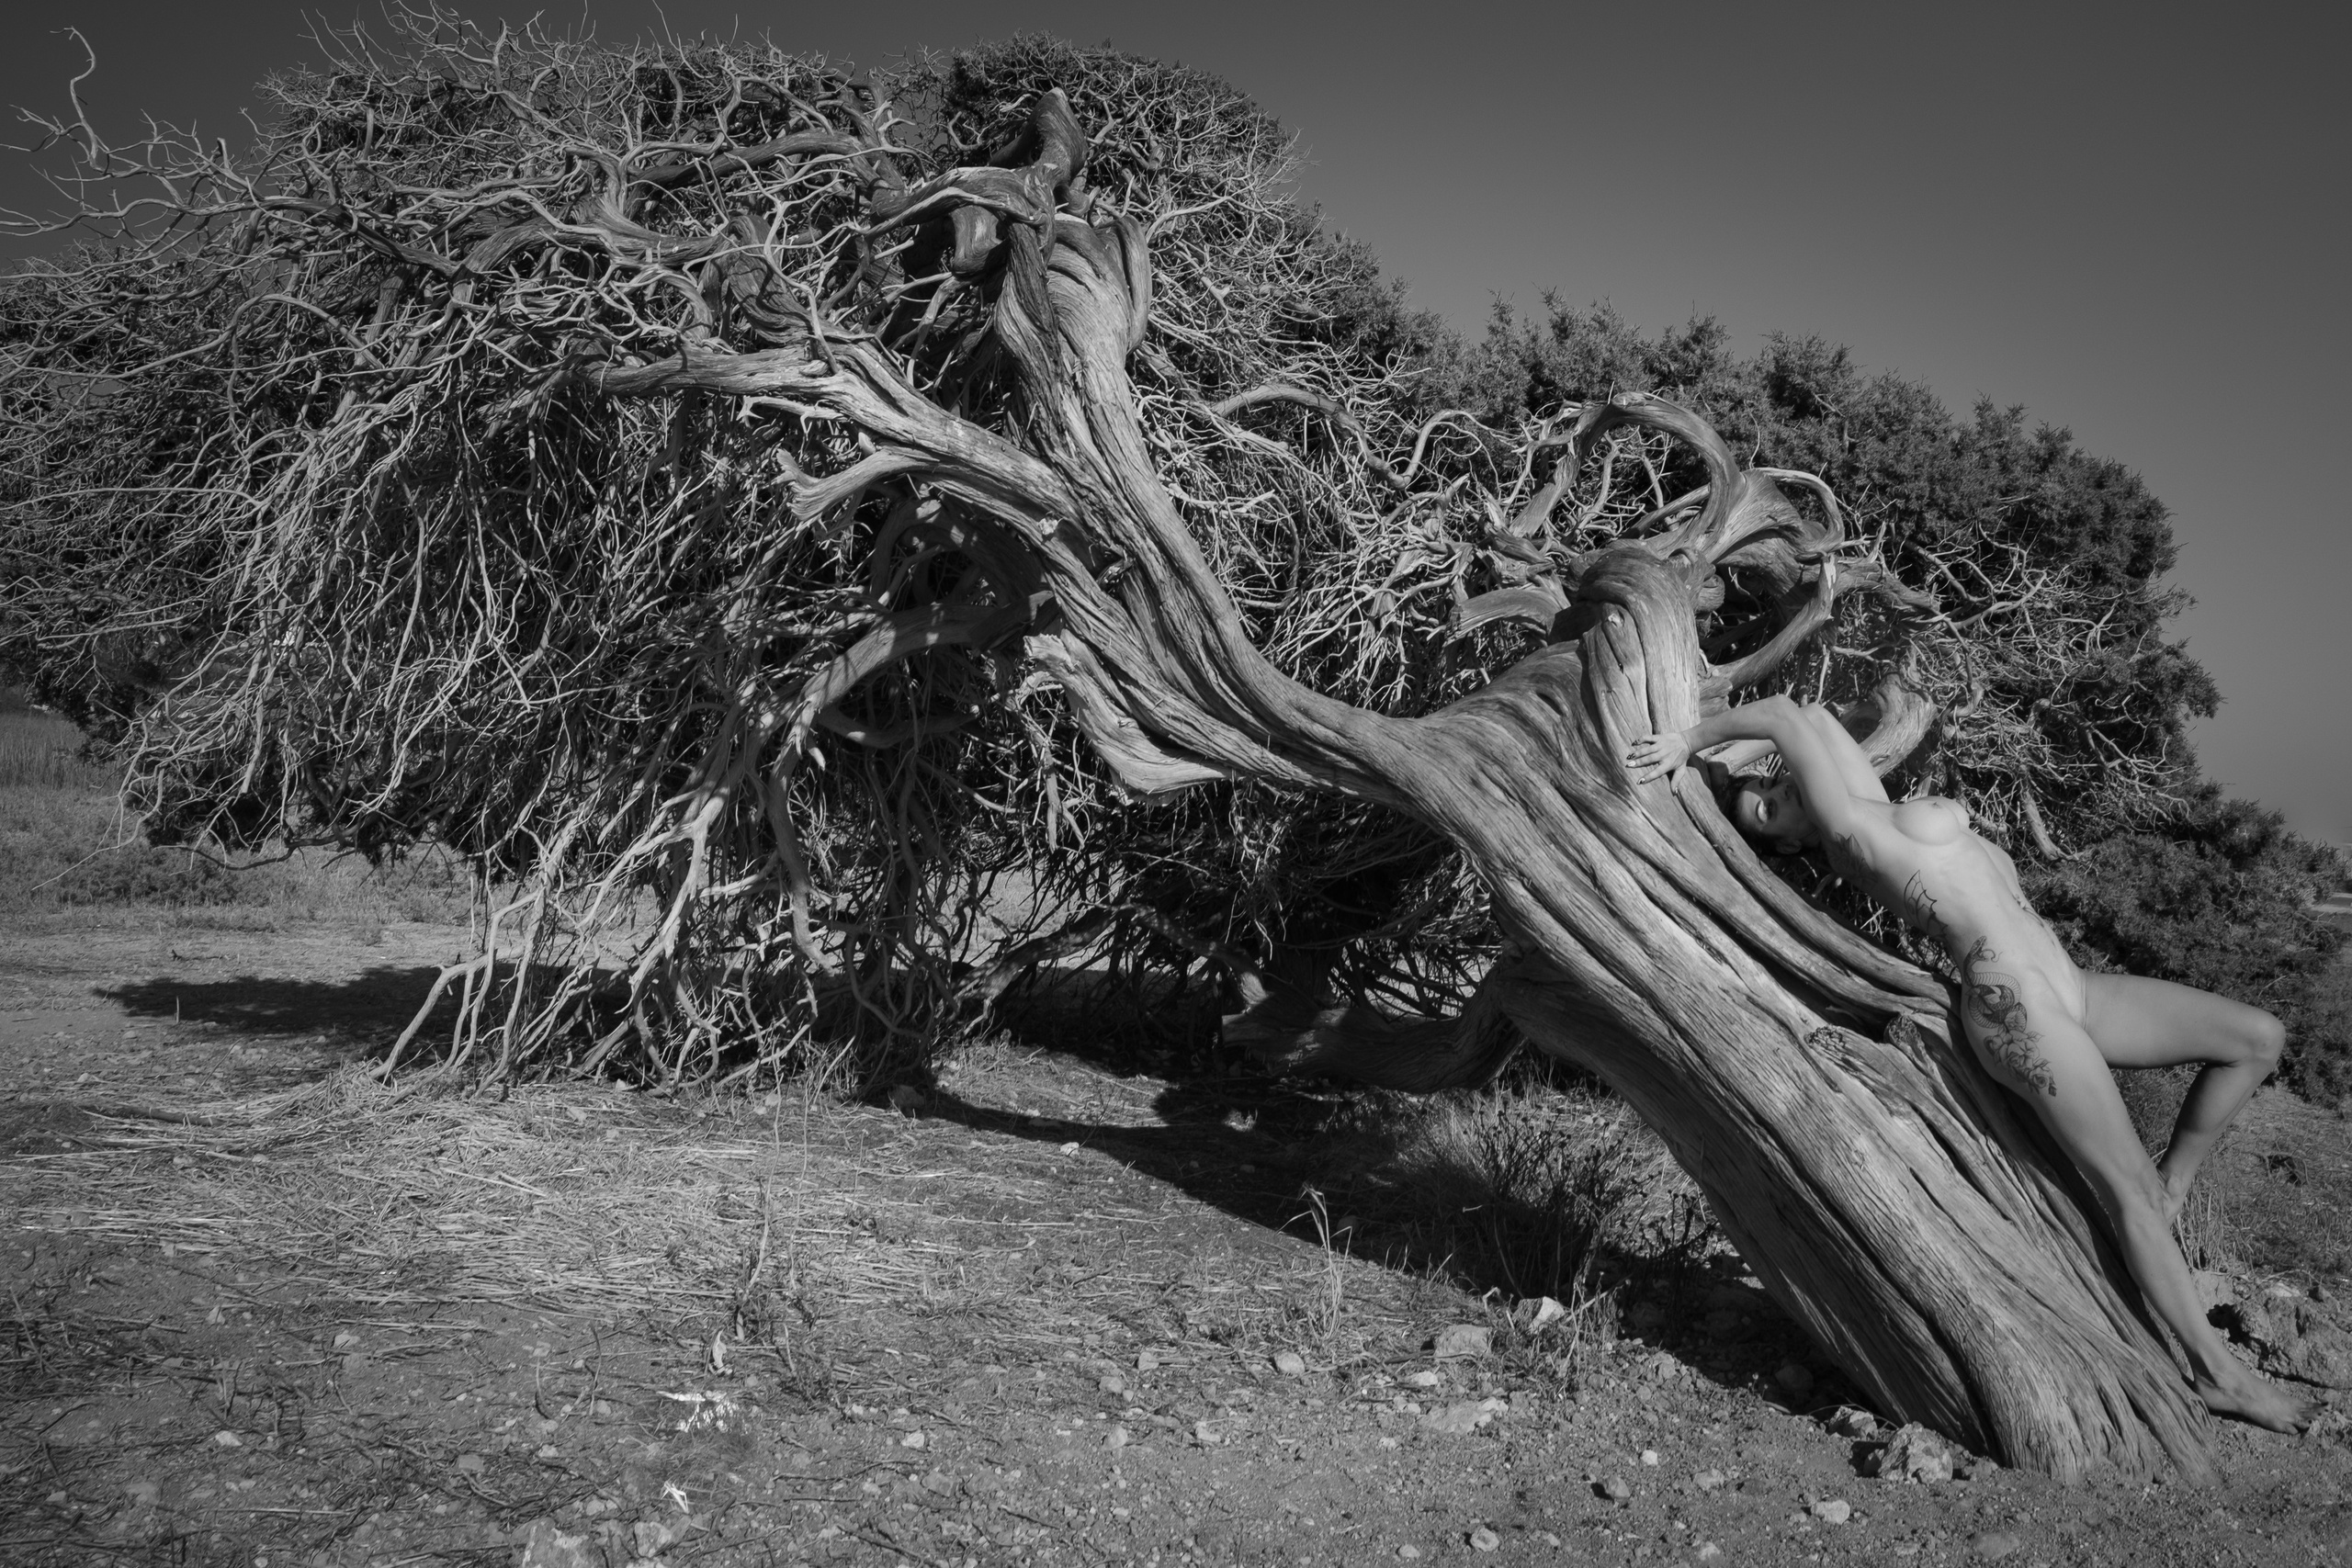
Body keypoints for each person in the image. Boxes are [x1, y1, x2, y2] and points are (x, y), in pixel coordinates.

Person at [1625, 693, 2310, 1434]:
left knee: (2257, 1038)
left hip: (2070, 986)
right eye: (1765, 809)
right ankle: (2220, 1372)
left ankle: (2178, 1182)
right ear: (1789, 845)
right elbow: (1788, 722)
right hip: (2017, 1006)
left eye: (1774, 782)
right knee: (2128, 1194)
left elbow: (1810, 718)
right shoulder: (1851, 829)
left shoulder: (1868, 805)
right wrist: (1685, 739)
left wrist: (1715, 756)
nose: (1780, 788)